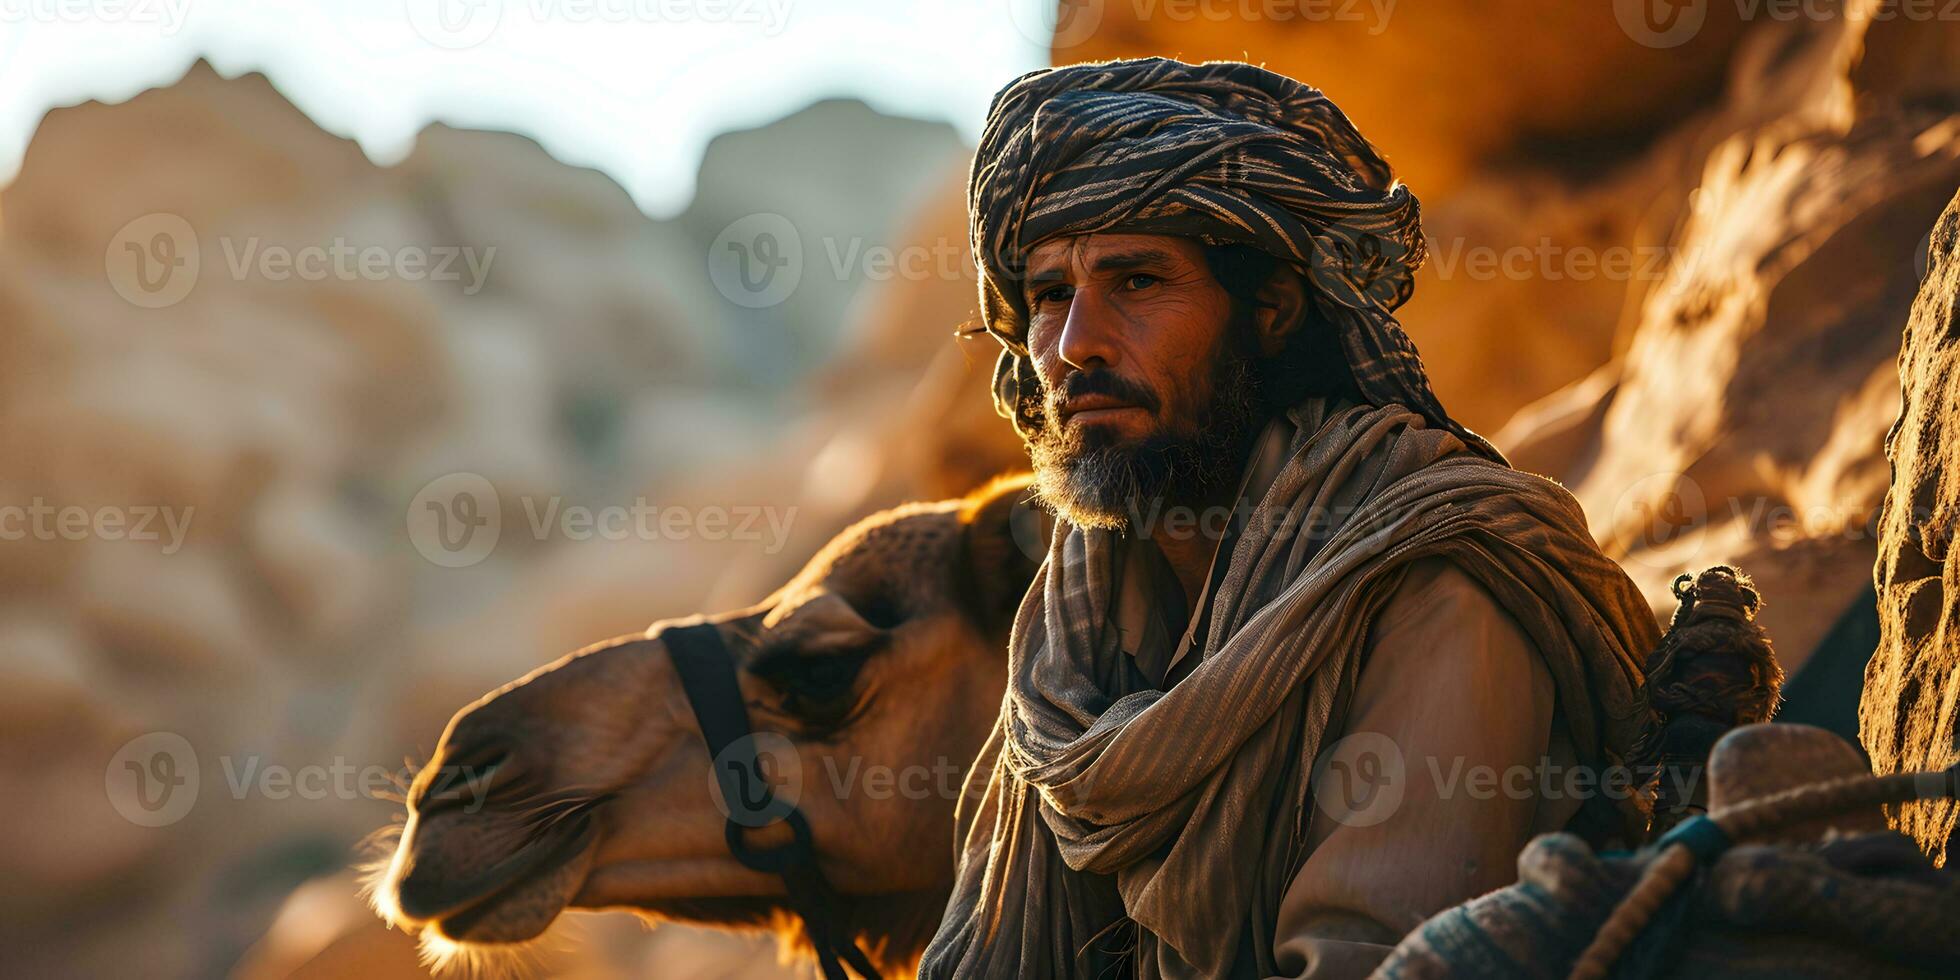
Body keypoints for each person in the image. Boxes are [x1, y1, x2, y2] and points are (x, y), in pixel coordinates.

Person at [919, 58, 1661, 979]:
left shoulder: (1433, 572)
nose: (1075, 347)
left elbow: (1366, 957)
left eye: (1138, 282)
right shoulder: (1072, 627)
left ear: (1270, 308)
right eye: (1049, 296)